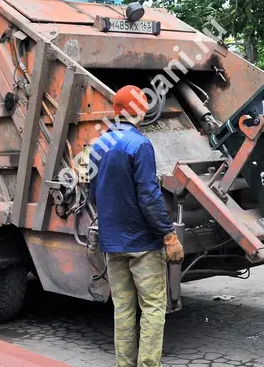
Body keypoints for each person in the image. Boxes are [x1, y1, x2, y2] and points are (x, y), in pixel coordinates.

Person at [89, 85, 185, 367]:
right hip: (143, 244)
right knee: (153, 308)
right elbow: (149, 196)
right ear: (139, 111)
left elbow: (93, 195)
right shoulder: (140, 144)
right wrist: (168, 235)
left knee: (123, 310)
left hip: (113, 244)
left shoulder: (99, 145)